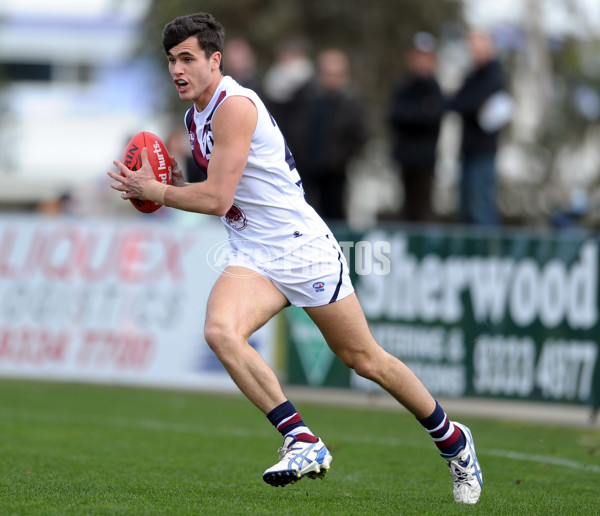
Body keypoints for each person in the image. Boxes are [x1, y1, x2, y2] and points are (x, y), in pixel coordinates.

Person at [107, 12, 483, 504]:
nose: (177, 69)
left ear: (214, 60)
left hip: (301, 249)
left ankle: (454, 442)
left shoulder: (234, 106)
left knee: (365, 359)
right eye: (171, 60)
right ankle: (300, 438)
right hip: (254, 253)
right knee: (221, 331)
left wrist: (155, 189)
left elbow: (217, 199)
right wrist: (174, 185)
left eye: (187, 58)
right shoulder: (193, 117)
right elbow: (227, 193)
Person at [292, 48, 368, 222]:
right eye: (327, 73)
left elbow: (360, 136)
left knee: (334, 215)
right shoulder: (306, 98)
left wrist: (339, 159)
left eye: (336, 74)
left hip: (335, 175)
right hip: (305, 170)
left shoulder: (352, 102)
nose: (331, 78)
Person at [446, 29, 509, 226]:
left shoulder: (494, 75)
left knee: (480, 207)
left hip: (483, 151)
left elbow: (469, 102)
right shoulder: (472, 74)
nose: (473, 52)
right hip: (468, 150)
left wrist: (470, 104)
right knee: (466, 209)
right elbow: (457, 102)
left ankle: (488, 255)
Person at [388, 32, 443, 223]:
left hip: (425, 160)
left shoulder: (434, 88)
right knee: (407, 208)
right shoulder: (404, 86)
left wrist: (414, 116)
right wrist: (420, 114)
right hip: (405, 158)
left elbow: (433, 117)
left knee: (423, 208)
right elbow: (395, 116)